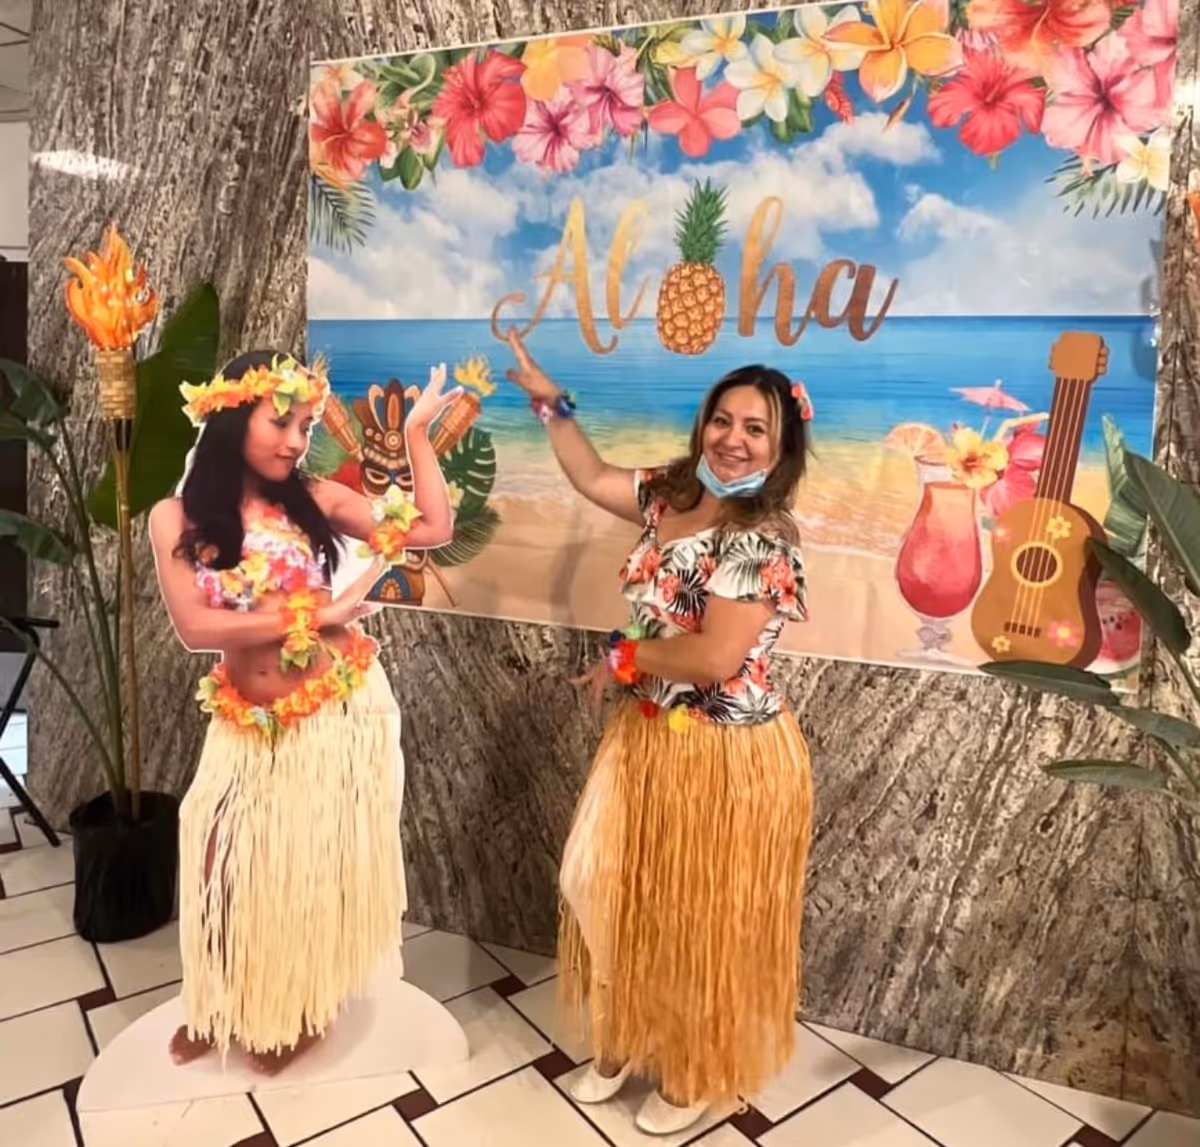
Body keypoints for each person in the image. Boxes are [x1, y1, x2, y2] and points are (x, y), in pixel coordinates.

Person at [504, 329, 814, 1135]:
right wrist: (549, 399)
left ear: (781, 449)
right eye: (723, 418)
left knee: (696, 917)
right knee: (596, 882)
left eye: (756, 428)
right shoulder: (674, 494)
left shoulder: (762, 537)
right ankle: (626, 1035)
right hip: (646, 736)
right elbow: (592, 474)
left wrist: (625, 653)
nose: (733, 439)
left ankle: (697, 1065)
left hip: (726, 751)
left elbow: (714, 656)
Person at [148, 350, 458, 1074]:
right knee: (215, 854)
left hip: (333, 713)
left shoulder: (314, 495)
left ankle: (295, 1006)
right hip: (244, 717)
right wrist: (322, 608)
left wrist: (417, 434)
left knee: (305, 861)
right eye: (280, 420)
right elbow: (197, 627)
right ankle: (219, 1000)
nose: (295, 438)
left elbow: (432, 525)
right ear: (233, 418)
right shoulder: (178, 515)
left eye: (306, 423)